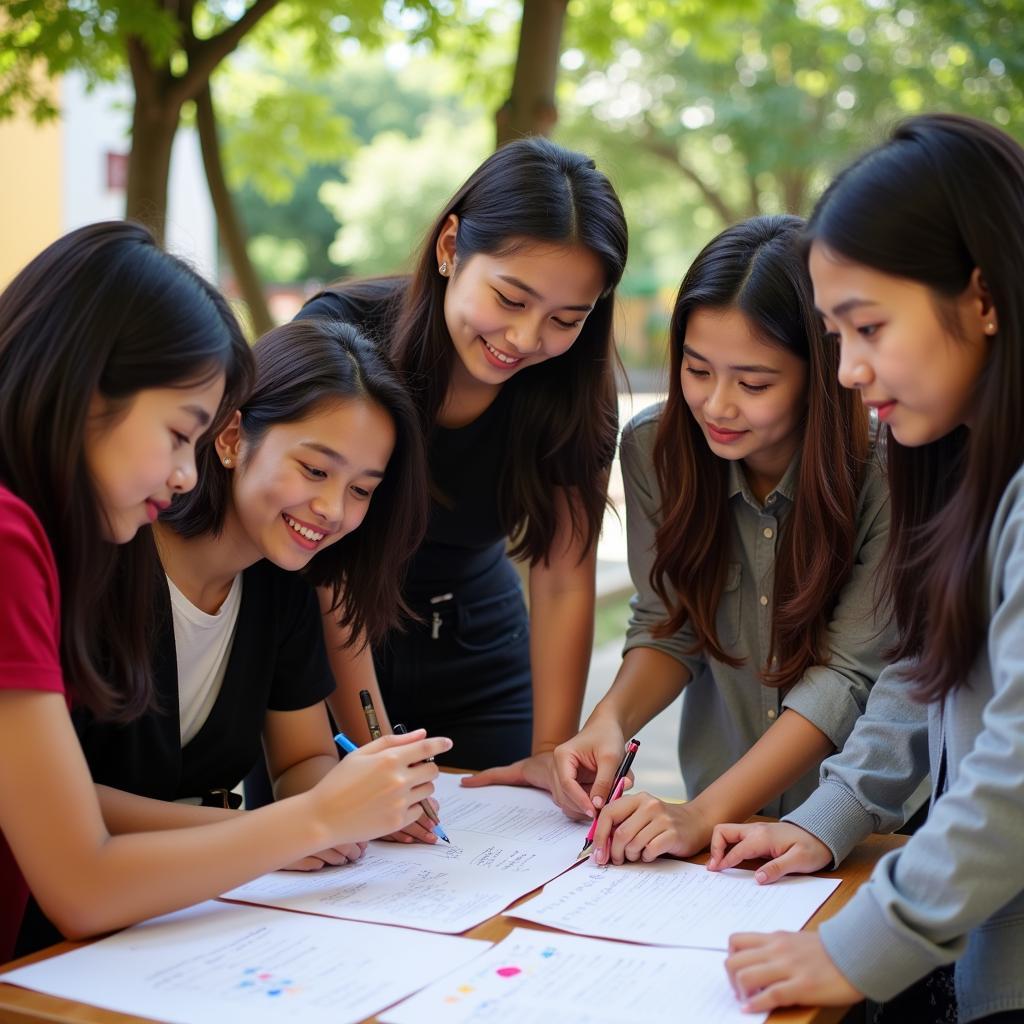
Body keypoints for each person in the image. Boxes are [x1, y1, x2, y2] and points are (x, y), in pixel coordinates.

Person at [0, 222, 449, 962]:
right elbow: (79, 869)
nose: (183, 474)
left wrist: (325, 812)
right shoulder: (41, 544)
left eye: (362, 489)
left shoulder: (279, 583)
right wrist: (305, 824)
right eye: (181, 433)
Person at [709, 114, 1024, 1024]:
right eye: (835, 335)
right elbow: (929, 673)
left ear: (984, 296)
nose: (847, 371)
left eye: (869, 327)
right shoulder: (962, 460)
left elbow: (1014, 772)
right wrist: (828, 818)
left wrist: (857, 950)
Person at [549, 215, 892, 864]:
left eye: (754, 383)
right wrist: (609, 721)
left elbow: (848, 675)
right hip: (716, 835)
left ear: (821, 374)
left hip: (867, 830)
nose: (717, 405)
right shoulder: (655, 450)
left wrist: (700, 815)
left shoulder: (888, 469)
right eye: (697, 369)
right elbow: (670, 624)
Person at [297, 137, 628, 780]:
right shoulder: (341, 338)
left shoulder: (575, 389)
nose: (527, 339)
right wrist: (375, 754)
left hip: (481, 651)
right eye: (510, 299)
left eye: (566, 318)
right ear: (451, 247)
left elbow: (562, 575)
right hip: (322, 653)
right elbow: (327, 568)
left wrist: (547, 756)